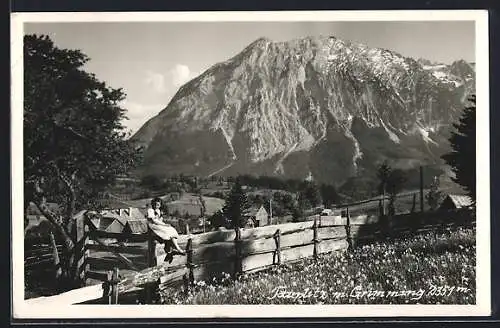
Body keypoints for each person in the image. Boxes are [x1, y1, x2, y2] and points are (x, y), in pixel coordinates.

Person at [147, 197, 185, 263]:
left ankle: (175, 248)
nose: (157, 206)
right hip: (153, 226)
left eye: (158, 205)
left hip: (159, 225)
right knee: (166, 232)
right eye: (155, 204)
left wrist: (165, 224)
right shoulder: (150, 210)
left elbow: (160, 220)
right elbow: (154, 220)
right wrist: (164, 225)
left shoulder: (159, 211)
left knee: (171, 229)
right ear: (153, 204)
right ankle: (175, 249)